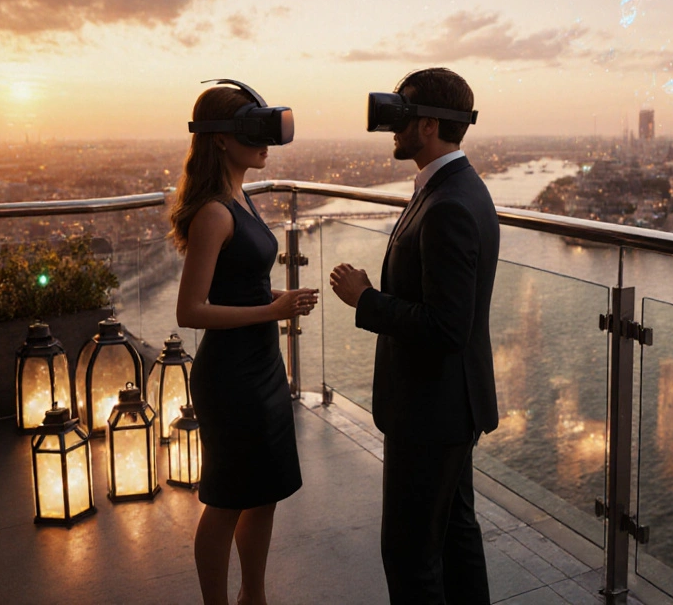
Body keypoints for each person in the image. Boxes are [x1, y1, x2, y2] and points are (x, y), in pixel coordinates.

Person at [330, 67, 499, 605]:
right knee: (454, 536)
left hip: (430, 410)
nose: (391, 128)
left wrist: (366, 299)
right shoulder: (457, 186)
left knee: (409, 554)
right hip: (452, 405)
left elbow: (448, 327)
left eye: (401, 116)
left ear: (428, 125)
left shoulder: (447, 203)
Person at [170, 83, 318, 605]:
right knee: (229, 499)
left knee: (264, 494)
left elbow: (242, 284)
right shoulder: (214, 211)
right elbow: (191, 310)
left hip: (262, 367)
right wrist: (272, 311)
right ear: (219, 140)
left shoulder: (242, 197)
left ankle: (252, 596)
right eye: (252, 131)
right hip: (232, 377)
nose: (266, 144)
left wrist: (280, 297)